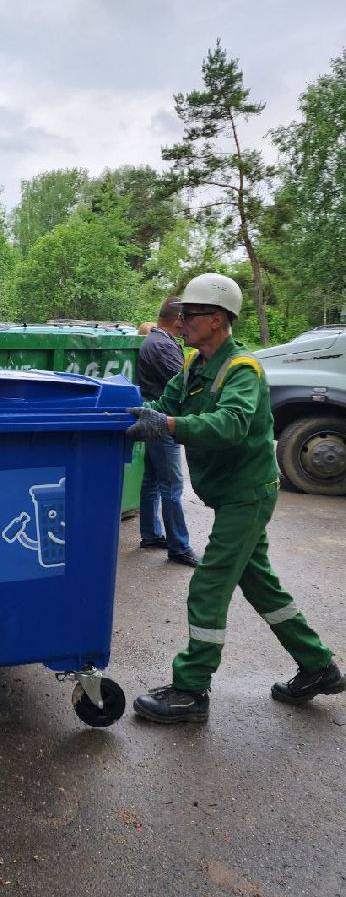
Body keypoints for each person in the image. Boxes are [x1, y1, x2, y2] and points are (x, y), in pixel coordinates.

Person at [126, 272, 344, 724]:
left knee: (208, 585)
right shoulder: (193, 365)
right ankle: (319, 667)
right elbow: (166, 405)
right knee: (260, 584)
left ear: (219, 319)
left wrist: (167, 427)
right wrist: (120, 419)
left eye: (190, 313)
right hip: (229, 494)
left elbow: (231, 425)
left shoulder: (243, 369)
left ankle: (190, 690)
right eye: (182, 313)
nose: (181, 320)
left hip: (247, 494)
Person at [136, 297, 198, 568]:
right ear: (177, 320)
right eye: (186, 319)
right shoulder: (162, 345)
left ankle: (151, 535)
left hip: (155, 419)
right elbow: (185, 384)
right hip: (163, 422)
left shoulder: (156, 340)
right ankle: (179, 547)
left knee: (152, 481)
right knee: (172, 486)